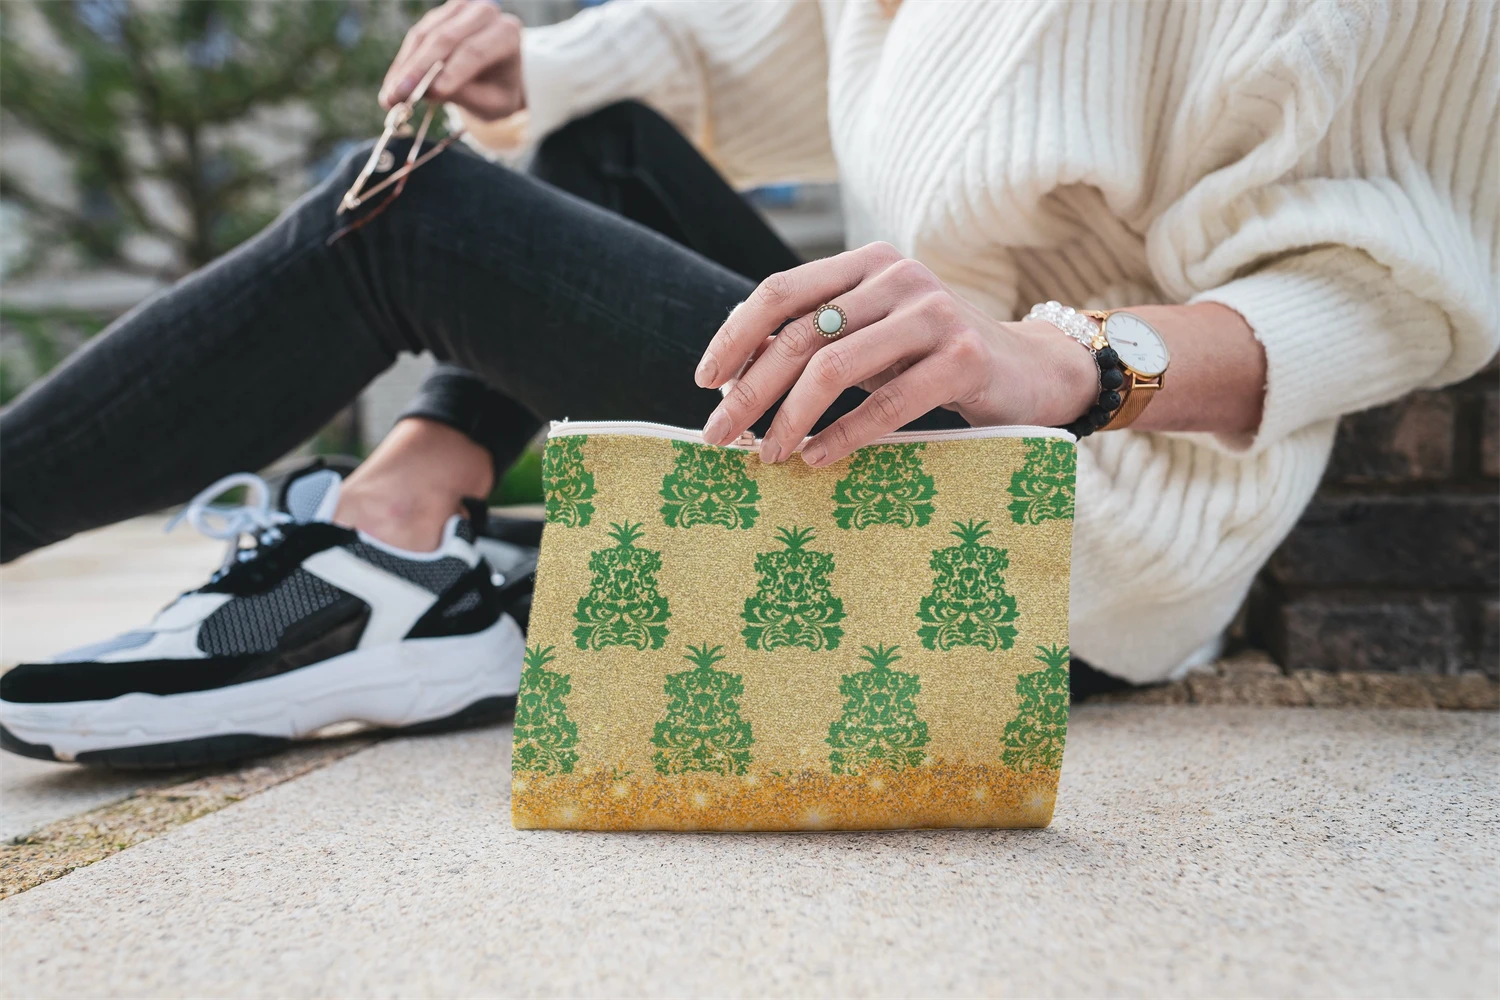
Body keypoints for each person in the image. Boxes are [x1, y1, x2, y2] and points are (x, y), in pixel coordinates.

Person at [0, 0, 1495, 765]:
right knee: (598, 141)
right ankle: (403, 530)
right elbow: (755, 42)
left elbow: (1394, 289)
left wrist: (1065, 359)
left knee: (411, 215)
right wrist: (543, 64)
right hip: (904, 415)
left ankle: (401, 565)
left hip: (1056, 528)